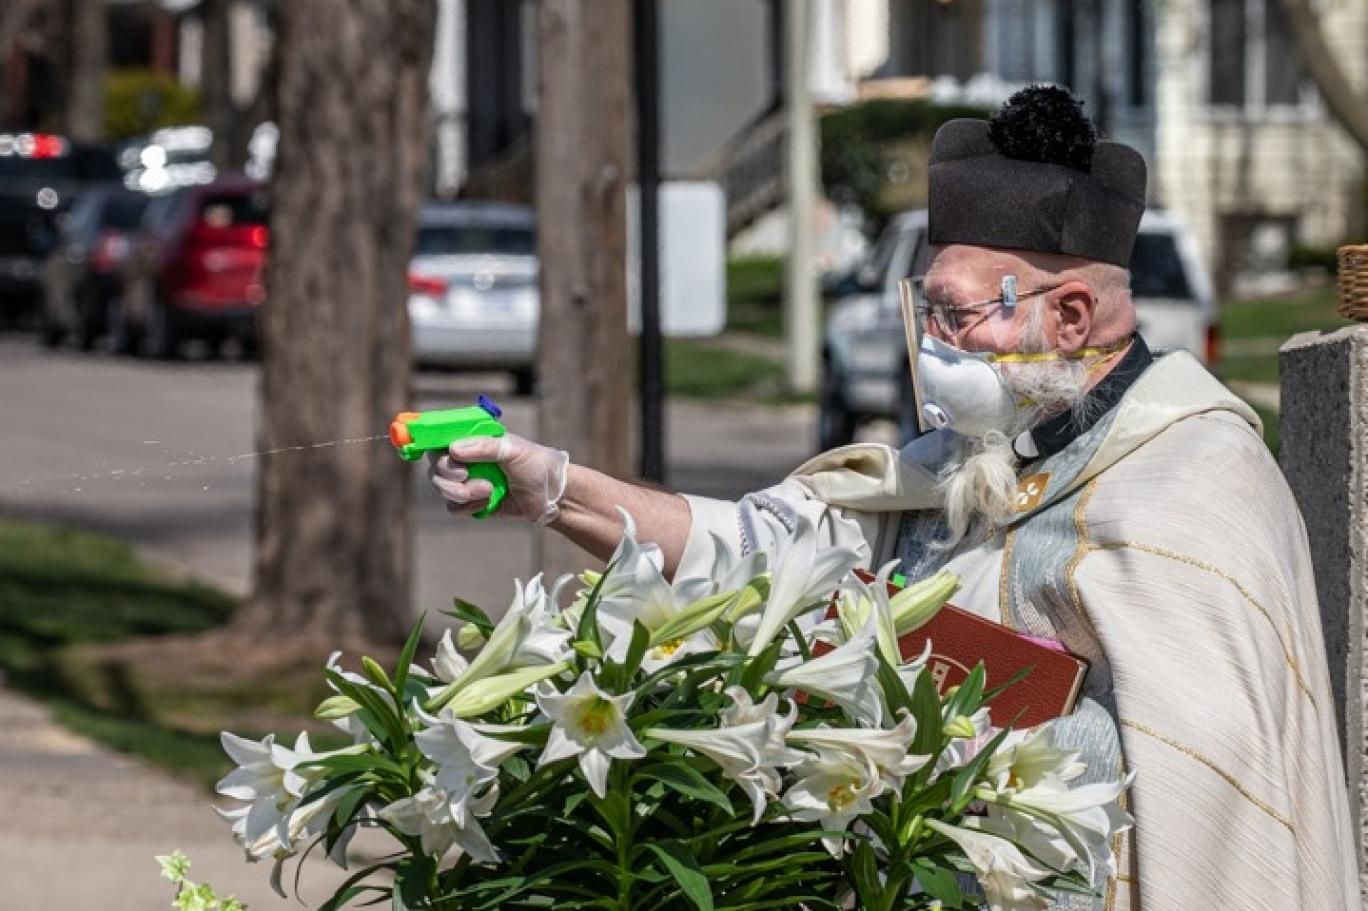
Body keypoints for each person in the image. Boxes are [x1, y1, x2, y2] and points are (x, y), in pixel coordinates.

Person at [428, 86, 1356, 909]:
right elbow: (755, 552)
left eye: (958, 313)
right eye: (931, 310)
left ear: (1070, 314)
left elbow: (1209, 800)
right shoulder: (957, 460)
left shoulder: (1194, 482)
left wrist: (929, 725)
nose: (936, 344)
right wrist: (554, 489)